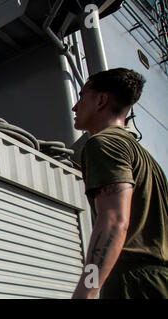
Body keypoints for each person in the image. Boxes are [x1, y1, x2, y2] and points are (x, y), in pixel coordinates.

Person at [71, 68, 167, 299]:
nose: (75, 106)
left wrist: (85, 293)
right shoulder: (148, 160)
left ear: (101, 100)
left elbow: (113, 222)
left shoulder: (103, 144)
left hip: (133, 284)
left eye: (82, 95)